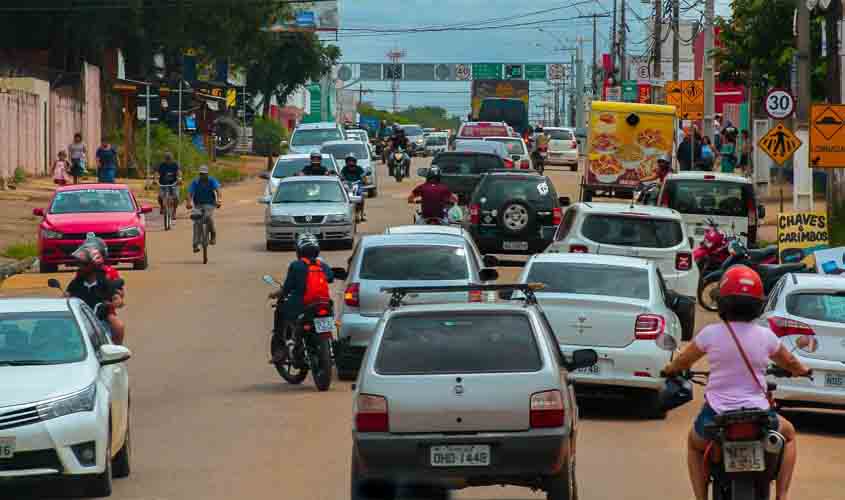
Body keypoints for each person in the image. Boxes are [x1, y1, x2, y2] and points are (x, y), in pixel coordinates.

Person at [661, 265, 810, 500]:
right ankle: (782, 496)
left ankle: (701, 498)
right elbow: (790, 361)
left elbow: (683, 361)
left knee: (693, 443)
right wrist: (804, 370)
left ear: (722, 302)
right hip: (759, 417)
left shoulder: (710, 334)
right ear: (758, 304)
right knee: (788, 436)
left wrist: (668, 369)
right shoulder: (765, 336)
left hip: (717, 416)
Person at [268, 234, 335, 339]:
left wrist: (276, 294)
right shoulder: (322, 265)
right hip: (324, 303)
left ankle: (281, 343)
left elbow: (287, 288)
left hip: (302, 304)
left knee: (280, 310)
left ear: (299, 250)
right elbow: (331, 277)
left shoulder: (296, 265)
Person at [66, 239, 126, 345]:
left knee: (118, 326)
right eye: (79, 264)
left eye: (83, 264)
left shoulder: (105, 281)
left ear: (93, 266)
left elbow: (117, 298)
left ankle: (116, 354)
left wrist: (113, 303)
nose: (79, 267)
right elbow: (66, 295)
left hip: (101, 314)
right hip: (80, 315)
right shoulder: (77, 281)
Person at [186, 165, 222, 252]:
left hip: (210, 204)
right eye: (201, 174)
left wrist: (219, 200)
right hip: (198, 205)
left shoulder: (212, 180)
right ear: (199, 174)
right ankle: (195, 244)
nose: (203, 176)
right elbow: (190, 193)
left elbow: (218, 190)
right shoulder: (195, 182)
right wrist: (188, 202)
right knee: (196, 222)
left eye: (204, 174)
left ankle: (213, 234)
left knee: (208, 216)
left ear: (207, 174)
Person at [340, 153, 366, 221]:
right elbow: (341, 176)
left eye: (352, 160)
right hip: (347, 185)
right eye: (349, 161)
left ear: (355, 161)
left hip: (357, 184)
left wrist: (363, 180)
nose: (350, 162)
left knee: (361, 195)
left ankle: (361, 214)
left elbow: (363, 177)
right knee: (341, 195)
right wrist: (342, 179)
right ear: (346, 162)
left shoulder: (359, 168)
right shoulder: (344, 169)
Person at [157, 152, 181, 216]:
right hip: (163, 184)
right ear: (164, 159)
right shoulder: (161, 165)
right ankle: (162, 206)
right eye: (166, 159)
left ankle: (174, 211)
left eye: (169, 159)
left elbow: (179, 172)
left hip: (174, 184)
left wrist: (179, 179)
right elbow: (157, 173)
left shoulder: (175, 164)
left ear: (172, 159)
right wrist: (154, 180)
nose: (168, 160)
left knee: (176, 197)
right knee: (160, 196)